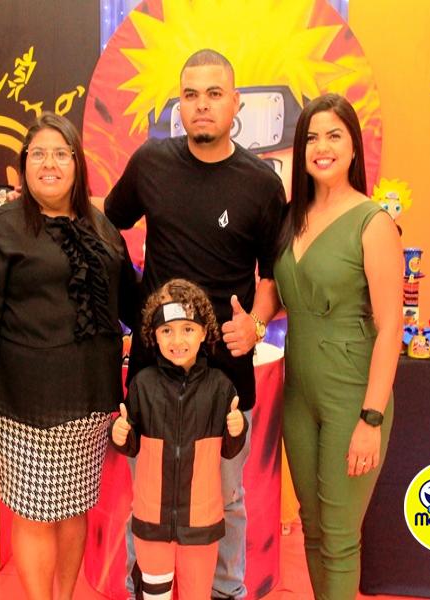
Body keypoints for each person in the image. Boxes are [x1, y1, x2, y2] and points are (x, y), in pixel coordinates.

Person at [103, 48, 286, 599]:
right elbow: (106, 228)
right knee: (148, 498)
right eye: (190, 94)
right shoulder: (151, 163)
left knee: (225, 498)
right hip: (152, 374)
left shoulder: (261, 183)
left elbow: (276, 277)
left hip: (226, 371)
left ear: (235, 103)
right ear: (178, 105)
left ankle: (226, 592)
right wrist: (133, 304)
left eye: (214, 94)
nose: (201, 105)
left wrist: (256, 323)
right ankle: (145, 590)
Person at [0, 112, 136, 600]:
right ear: (23, 166)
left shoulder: (102, 227)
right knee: (34, 514)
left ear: (77, 164)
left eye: (61, 154)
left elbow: (133, 302)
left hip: (91, 401)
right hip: (25, 405)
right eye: (38, 154)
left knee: (75, 508)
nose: (50, 164)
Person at [272, 93, 403, 600]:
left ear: (353, 148)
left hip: (352, 396)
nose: (321, 147)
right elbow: (283, 293)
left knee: (341, 538)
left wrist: (371, 418)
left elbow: (390, 326)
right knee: (313, 526)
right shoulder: (294, 217)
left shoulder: (373, 222)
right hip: (298, 395)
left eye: (334, 136)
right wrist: (254, 322)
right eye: (311, 137)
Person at [111, 278, 248, 600]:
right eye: (167, 330)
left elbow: (230, 451)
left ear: (203, 332)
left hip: (201, 525)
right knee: (154, 594)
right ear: (153, 335)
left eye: (187, 329)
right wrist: (120, 434)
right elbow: (130, 444)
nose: (177, 340)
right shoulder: (142, 385)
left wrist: (237, 429)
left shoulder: (220, 387)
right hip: (151, 522)